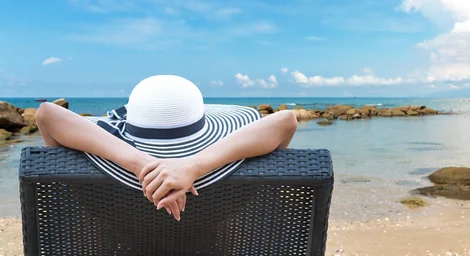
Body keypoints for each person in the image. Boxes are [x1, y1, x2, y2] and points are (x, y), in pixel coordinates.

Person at [36, 75, 298, 221]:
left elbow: (47, 114)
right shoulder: (226, 168)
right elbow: (287, 121)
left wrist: (138, 163)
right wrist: (194, 165)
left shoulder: (101, 186)